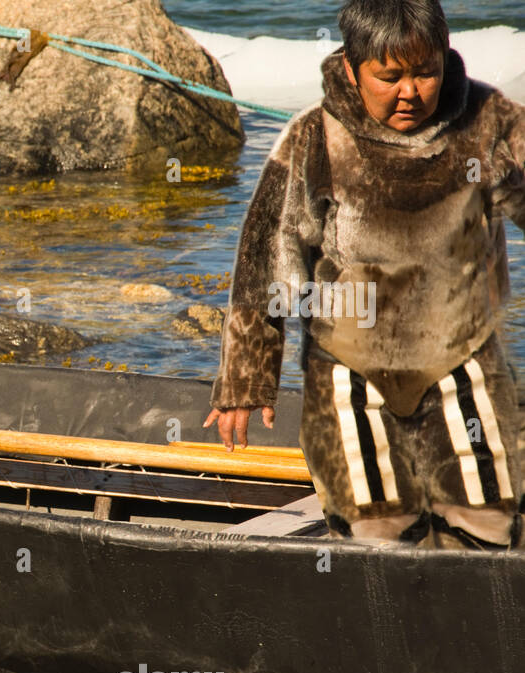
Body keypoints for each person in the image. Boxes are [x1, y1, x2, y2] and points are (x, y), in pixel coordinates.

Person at [205, 0, 525, 548]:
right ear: (353, 69)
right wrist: (246, 378)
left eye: (426, 72)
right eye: (390, 76)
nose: (411, 91)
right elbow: (268, 259)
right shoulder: (314, 138)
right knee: (378, 531)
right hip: (349, 373)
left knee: (489, 519)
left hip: (464, 360)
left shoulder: (489, 122)